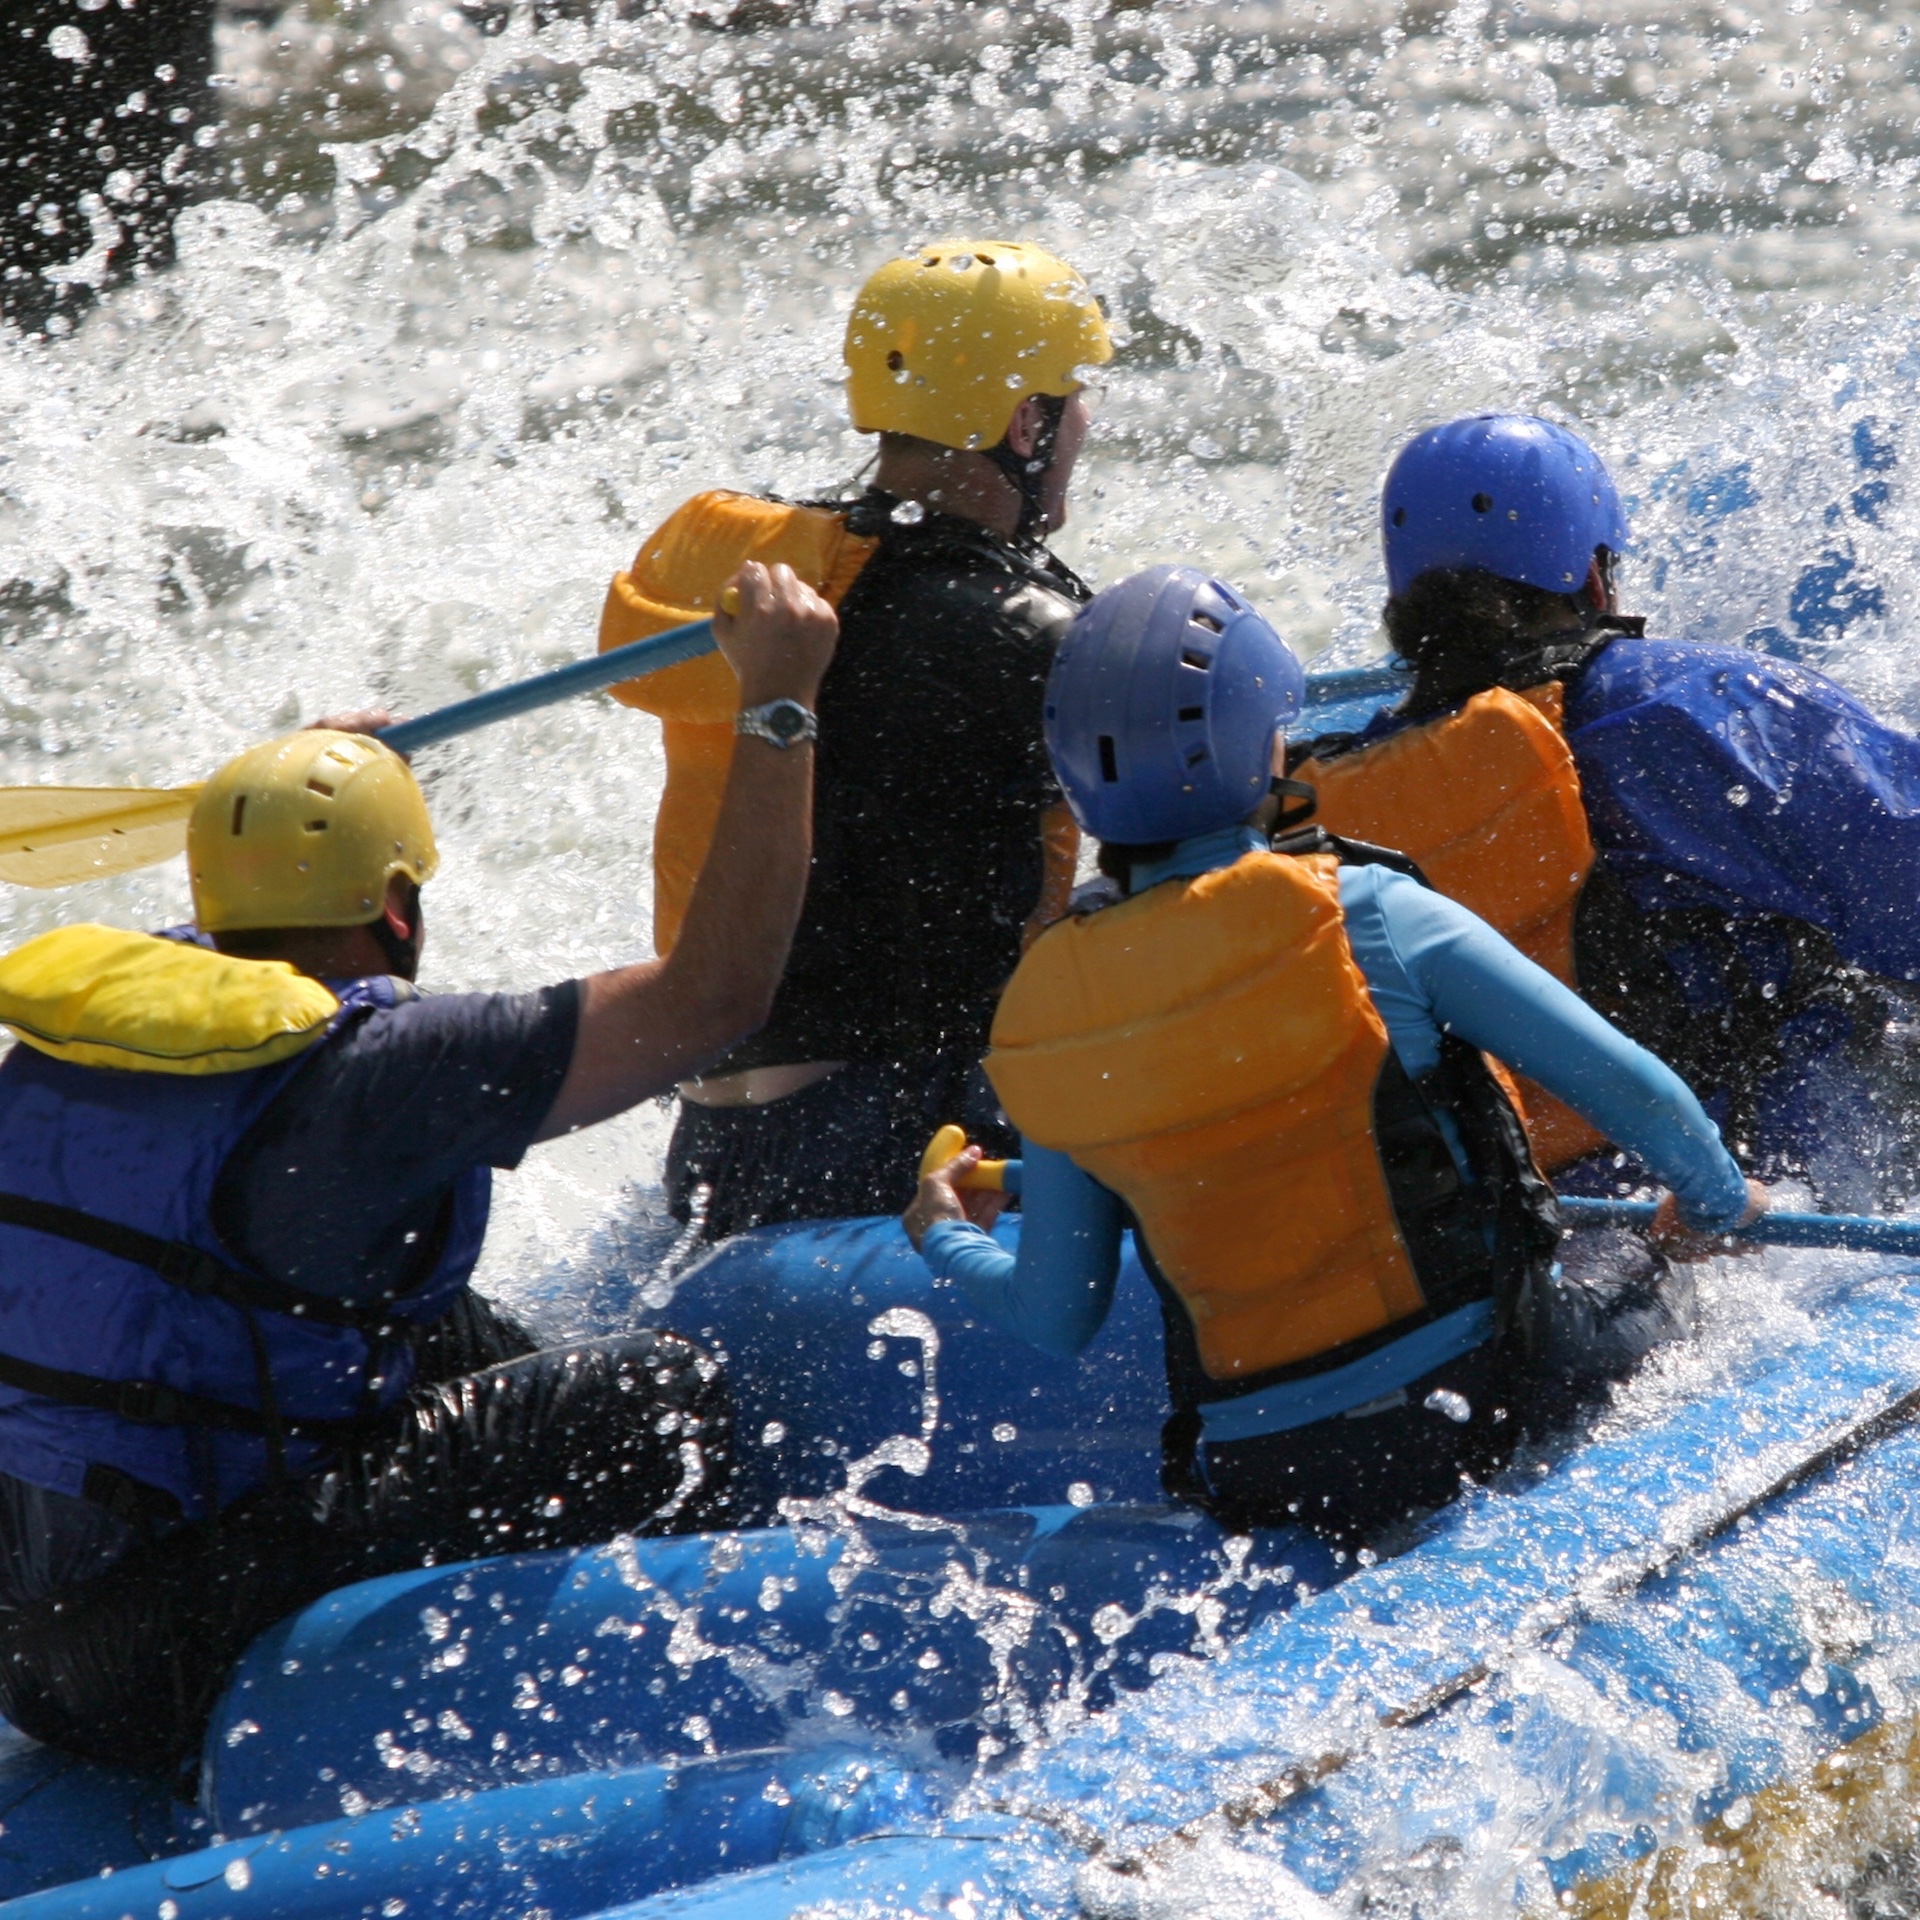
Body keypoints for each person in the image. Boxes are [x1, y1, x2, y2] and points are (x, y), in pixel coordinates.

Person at [0, 561, 837, 1778]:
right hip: (176, 1659)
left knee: (451, 1333)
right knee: (661, 1395)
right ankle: (693, 1720)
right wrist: (779, 704)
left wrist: (300, 784)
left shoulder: (86, 1022)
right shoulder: (384, 1073)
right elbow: (716, 998)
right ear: (396, 910)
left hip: (32, 1643)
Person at [903, 566, 1766, 1547]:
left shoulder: (1046, 1011)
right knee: (1660, 1258)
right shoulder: (1364, 915)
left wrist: (943, 1233)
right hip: (1478, 1399)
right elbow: (1633, 1091)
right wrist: (1713, 1209)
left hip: (1264, 1469)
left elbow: (1057, 1311)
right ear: (1250, 744)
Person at [596, 238, 1111, 1239]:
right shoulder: (1019, 633)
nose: (1087, 420)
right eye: (1074, 393)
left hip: (713, 1151)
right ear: (1025, 421)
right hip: (893, 1139)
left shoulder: (791, 575)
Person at [1294, 413, 1920, 1203]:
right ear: (1594, 578)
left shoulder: (1329, 800)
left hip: (1517, 1223)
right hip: (1755, 1200)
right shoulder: (1702, 706)